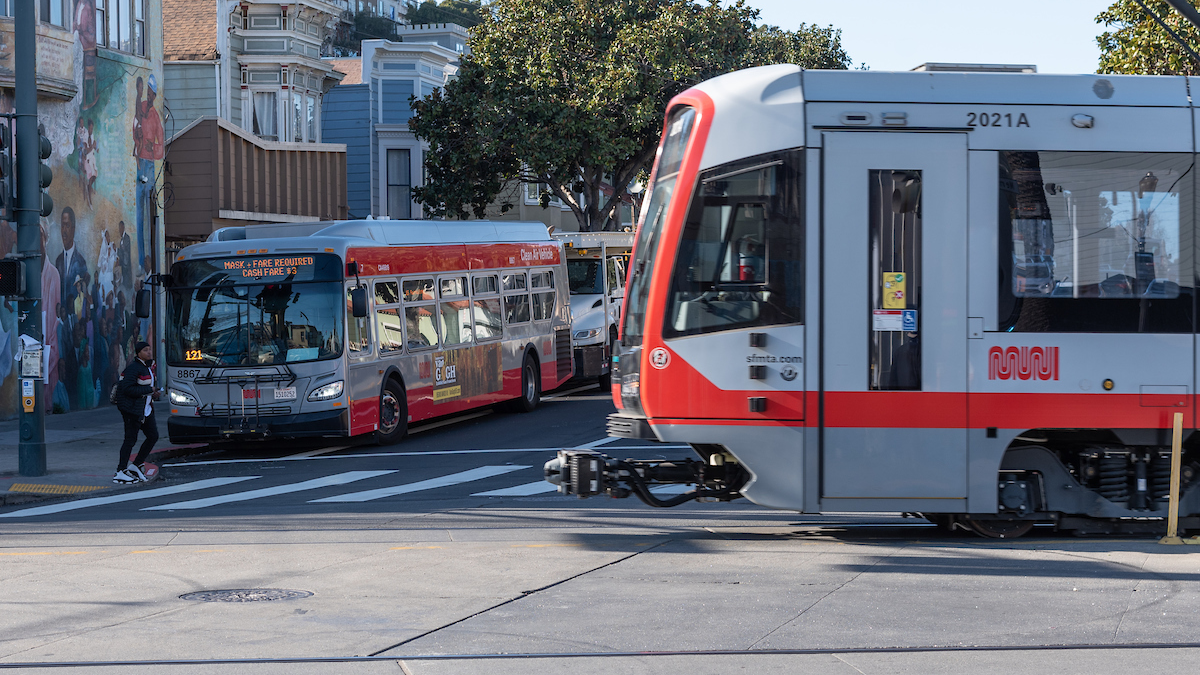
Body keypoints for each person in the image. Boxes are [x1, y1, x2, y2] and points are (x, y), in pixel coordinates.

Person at [112, 341, 161, 484]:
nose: (149, 352)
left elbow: (147, 387)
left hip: (146, 409)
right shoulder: (134, 368)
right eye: (146, 350)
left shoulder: (148, 368)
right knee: (130, 440)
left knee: (153, 436)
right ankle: (120, 471)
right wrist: (149, 390)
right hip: (132, 410)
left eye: (149, 349)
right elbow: (127, 389)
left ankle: (136, 465)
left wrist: (153, 394)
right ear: (138, 353)